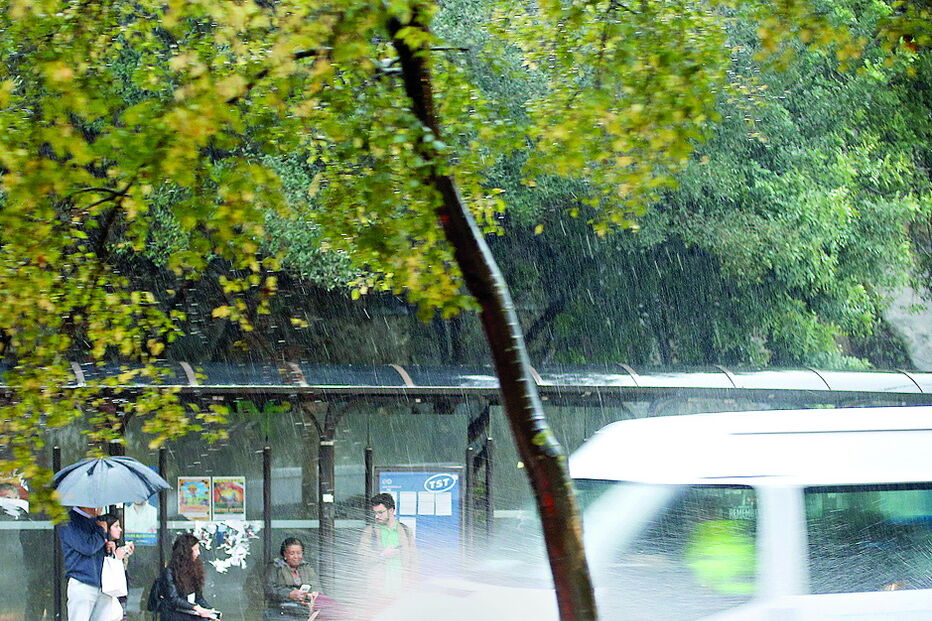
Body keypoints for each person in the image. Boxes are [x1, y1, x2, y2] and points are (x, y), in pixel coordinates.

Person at [358, 493, 417, 599]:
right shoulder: (370, 532)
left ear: (391, 510)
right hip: (377, 593)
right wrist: (382, 555)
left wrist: (412, 585)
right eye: (375, 513)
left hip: (402, 592)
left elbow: (414, 561)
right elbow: (362, 558)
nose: (377, 516)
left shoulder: (406, 531)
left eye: (380, 512)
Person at [59, 506, 113, 621]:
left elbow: (99, 544)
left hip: (103, 584)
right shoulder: (68, 521)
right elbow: (88, 547)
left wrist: (109, 546)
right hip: (82, 582)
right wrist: (101, 531)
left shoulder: (97, 520)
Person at [153, 533, 219, 620]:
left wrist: (209, 609)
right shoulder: (170, 571)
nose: (198, 553)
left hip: (190, 611)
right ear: (186, 552)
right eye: (195, 550)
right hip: (175, 614)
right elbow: (173, 598)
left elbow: (198, 597)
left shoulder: (194, 569)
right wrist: (195, 607)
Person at [264, 537, 321, 620]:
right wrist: (289, 594)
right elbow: (269, 589)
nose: (296, 557)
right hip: (280, 612)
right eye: (292, 553)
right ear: (284, 554)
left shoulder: (306, 567)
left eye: (299, 553)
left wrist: (312, 594)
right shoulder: (275, 567)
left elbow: (316, 585)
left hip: (303, 612)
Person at [97, 513, 134, 621]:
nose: (120, 530)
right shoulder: (102, 547)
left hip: (119, 593)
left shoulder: (115, 546)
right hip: (110, 593)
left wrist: (124, 555)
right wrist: (115, 558)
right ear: (107, 528)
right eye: (116, 526)